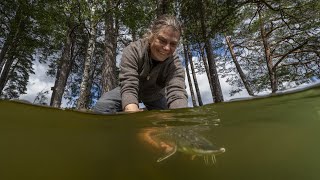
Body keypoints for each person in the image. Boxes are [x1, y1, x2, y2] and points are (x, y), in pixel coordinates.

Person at [93, 14, 188, 113]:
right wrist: (132, 112)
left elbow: (177, 92)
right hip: (129, 90)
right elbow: (129, 84)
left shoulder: (175, 64)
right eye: (162, 40)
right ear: (151, 36)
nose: (167, 48)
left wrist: (179, 118)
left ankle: (146, 111)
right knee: (102, 107)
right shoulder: (133, 50)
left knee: (167, 115)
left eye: (173, 44)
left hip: (155, 95)